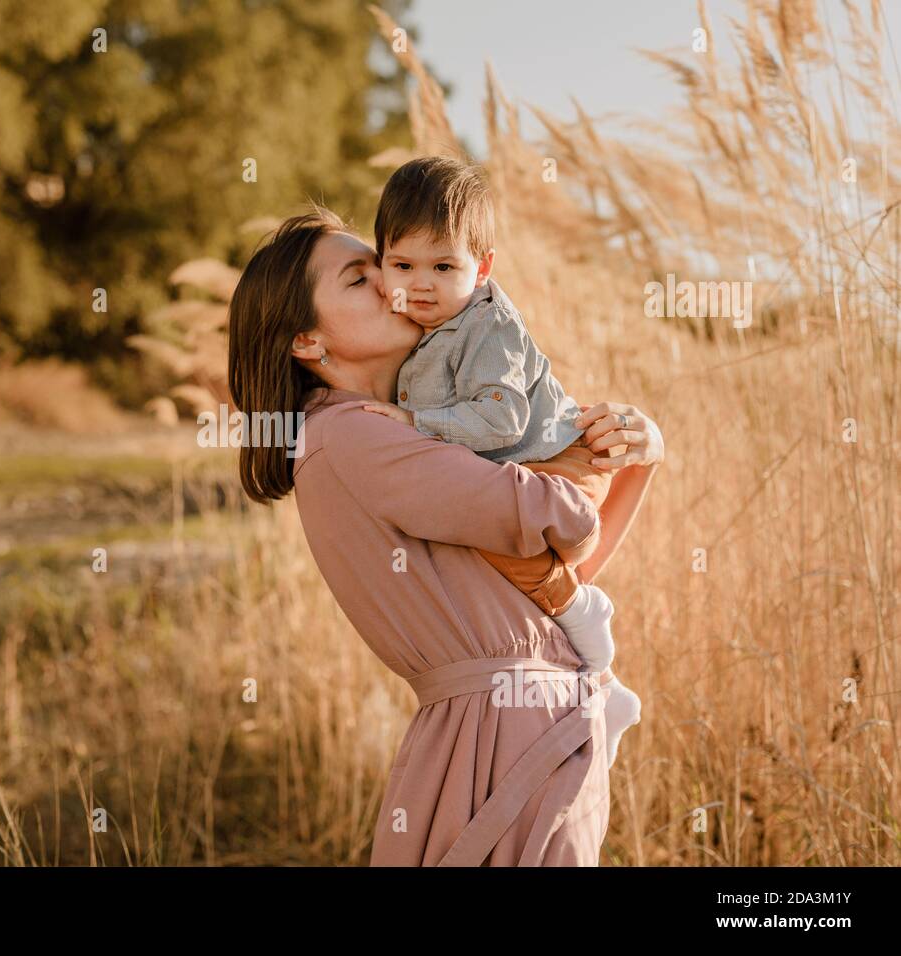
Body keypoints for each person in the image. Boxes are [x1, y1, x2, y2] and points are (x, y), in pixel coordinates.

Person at [227, 207, 664, 865]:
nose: (392, 283)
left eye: (383, 265)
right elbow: (554, 516)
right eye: (358, 278)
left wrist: (639, 456)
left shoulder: (399, 429)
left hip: (513, 725)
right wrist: (596, 454)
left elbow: (554, 575)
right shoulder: (349, 434)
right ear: (307, 342)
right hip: (498, 736)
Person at [359, 156, 640, 766]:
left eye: (444, 267)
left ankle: (586, 620)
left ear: (481, 269)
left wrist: (415, 423)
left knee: (494, 529)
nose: (422, 284)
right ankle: (603, 691)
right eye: (403, 265)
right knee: (476, 542)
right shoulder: (418, 319)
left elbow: (501, 420)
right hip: (520, 464)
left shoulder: (489, 329)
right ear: (381, 262)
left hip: (563, 460)